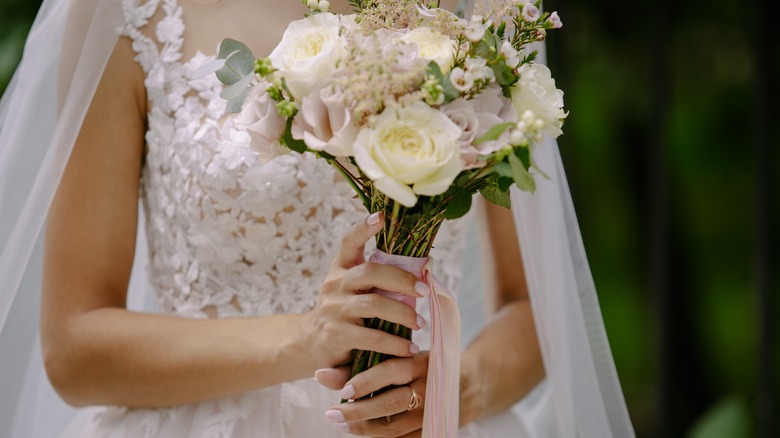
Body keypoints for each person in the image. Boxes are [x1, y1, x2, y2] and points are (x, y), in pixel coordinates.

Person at [0, 0, 635, 437]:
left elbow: (531, 307)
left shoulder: (480, 14)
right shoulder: (131, 13)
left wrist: (453, 387)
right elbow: (74, 347)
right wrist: (306, 339)